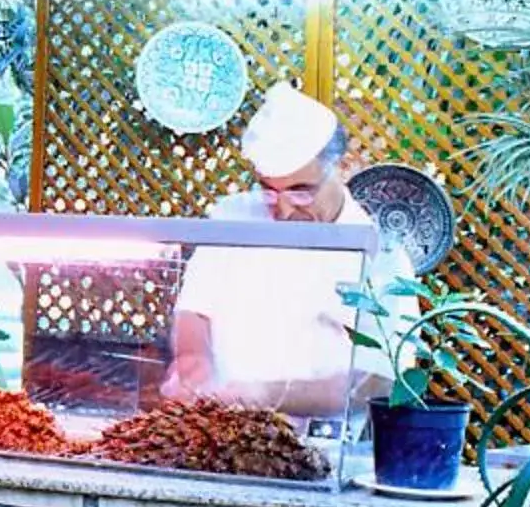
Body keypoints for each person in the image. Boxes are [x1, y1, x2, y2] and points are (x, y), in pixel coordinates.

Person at [162, 83, 399, 416]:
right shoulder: (232, 218)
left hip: (323, 441)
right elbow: (195, 309)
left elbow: (380, 381)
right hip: (220, 428)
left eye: (301, 192)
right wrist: (192, 361)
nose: (284, 210)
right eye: (270, 192)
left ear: (342, 169)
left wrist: (267, 395)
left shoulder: (381, 254)